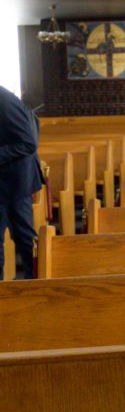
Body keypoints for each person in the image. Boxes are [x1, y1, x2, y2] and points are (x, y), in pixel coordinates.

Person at [0, 87, 43, 279]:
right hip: (3, 181)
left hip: (16, 183)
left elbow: (28, 143)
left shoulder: (5, 100)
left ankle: (35, 286)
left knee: (25, 239)